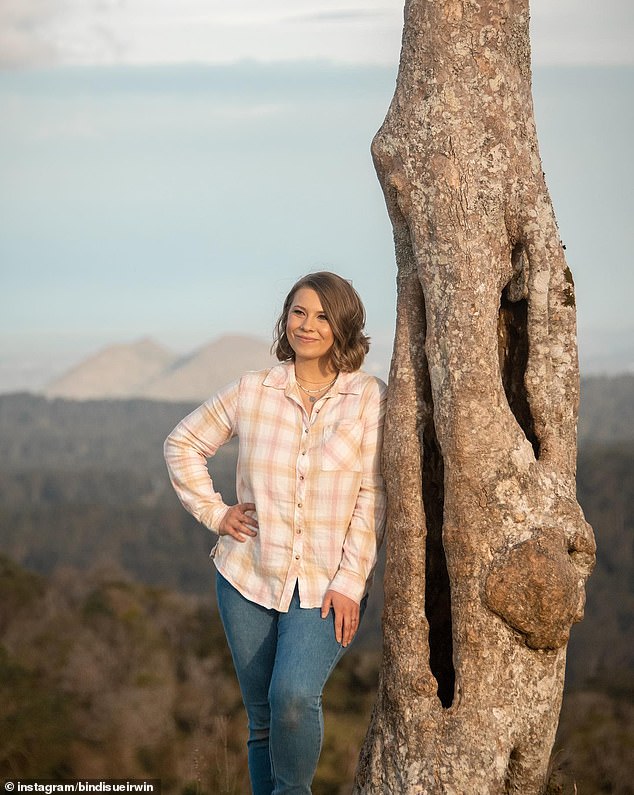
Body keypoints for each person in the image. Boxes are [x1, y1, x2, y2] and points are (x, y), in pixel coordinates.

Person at [164, 271, 387, 795]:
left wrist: (351, 581)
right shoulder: (252, 391)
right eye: (299, 312)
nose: (308, 326)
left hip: (324, 588)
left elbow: (373, 496)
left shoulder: (369, 398)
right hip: (247, 577)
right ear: (285, 319)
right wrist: (216, 513)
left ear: (345, 325)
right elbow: (182, 444)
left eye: (323, 316)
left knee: (292, 697)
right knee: (262, 716)